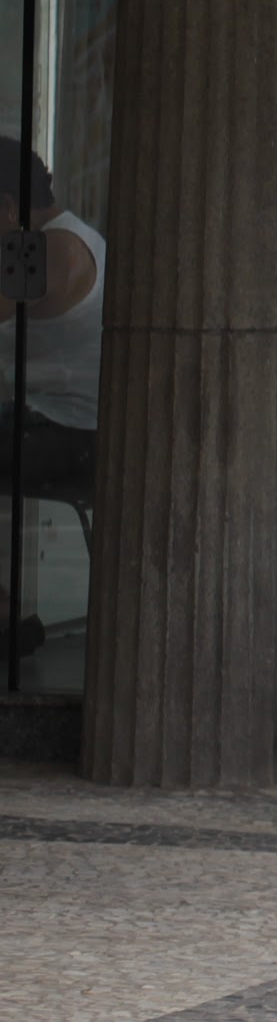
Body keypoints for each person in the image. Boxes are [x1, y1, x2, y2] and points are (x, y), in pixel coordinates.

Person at [0, 141, 103, 655]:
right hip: (55, 425)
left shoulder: (53, 253)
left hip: (78, 440)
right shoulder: (54, 240)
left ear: (7, 209)